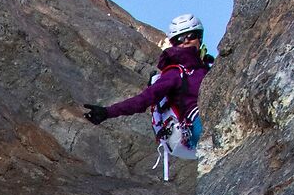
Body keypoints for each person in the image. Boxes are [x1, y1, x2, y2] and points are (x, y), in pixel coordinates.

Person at [84, 14, 214, 175]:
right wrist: (107, 112)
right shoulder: (174, 73)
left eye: (190, 35)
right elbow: (144, 99)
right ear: (173, 44)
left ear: (199, 37)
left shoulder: (210, 65)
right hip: (197, 125)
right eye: (179, 39)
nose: (186, 41)